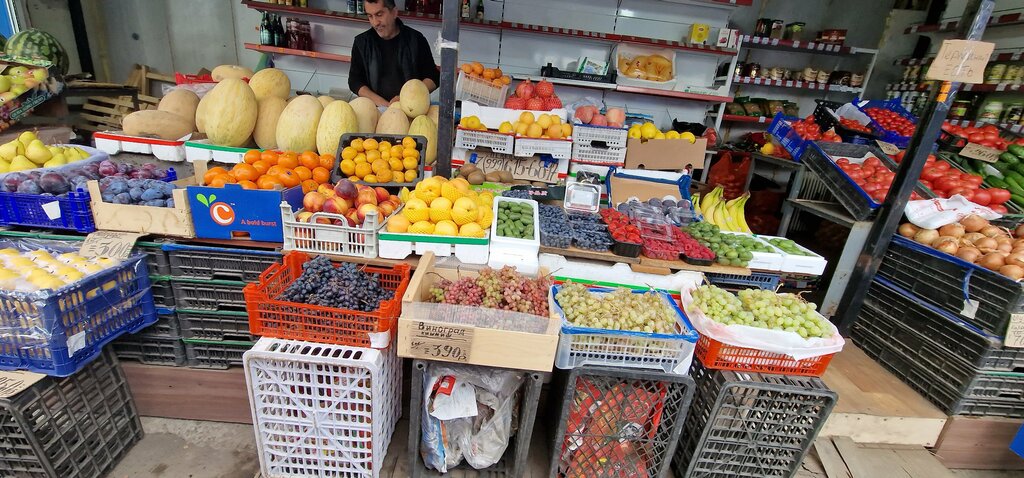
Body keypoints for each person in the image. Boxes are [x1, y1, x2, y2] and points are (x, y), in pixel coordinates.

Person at [349, 0, 440, 107]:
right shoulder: (361, 43)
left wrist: (407, 97)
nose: (375, 22)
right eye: (370, 16)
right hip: (375, 111)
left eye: (379, 14)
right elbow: (355, 81)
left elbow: (433, 76)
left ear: (394, 12)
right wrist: (383, 104)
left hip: (411, 110)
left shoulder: (416, 40)